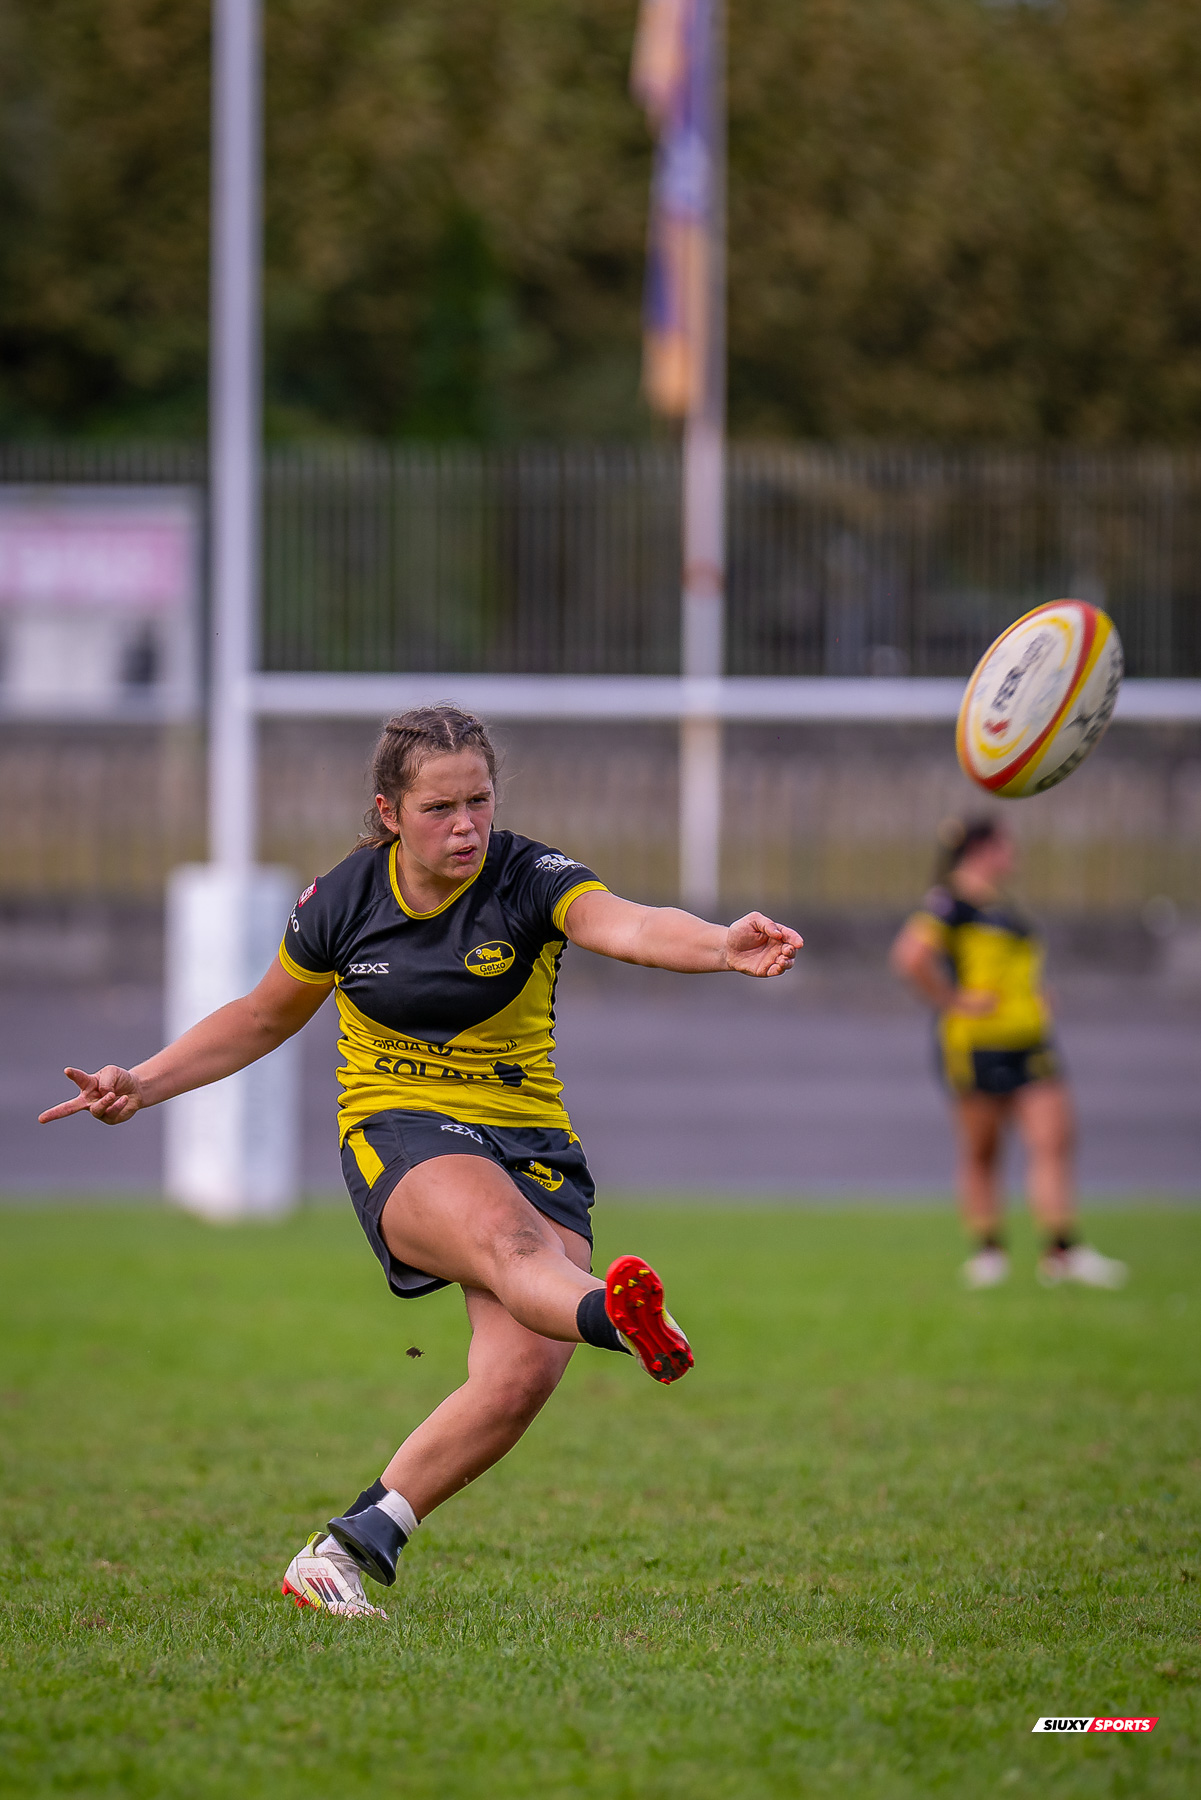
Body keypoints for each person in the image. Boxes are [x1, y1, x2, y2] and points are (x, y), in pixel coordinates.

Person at [39, 704, 802, 1619]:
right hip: (398, 1132)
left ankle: (345, 1548)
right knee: (518, 1253)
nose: (466, 825)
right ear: (389, 811)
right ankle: (613, 1316)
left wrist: (720, 944)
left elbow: (625, 924)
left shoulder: (526, 875)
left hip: (531, 1138)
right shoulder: (345, 899)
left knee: (517, 1377)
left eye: (478, 801)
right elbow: (256, 1018)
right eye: (440, 808)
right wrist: (142, 1082)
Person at [889, 816, 1126, 1293]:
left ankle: (1062, 1249)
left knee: (1054, 1138)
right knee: (982, 1150)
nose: (1014, 853)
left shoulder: (1002, 906)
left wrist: (1035, 995)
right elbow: (909, 956)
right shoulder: (951, 902)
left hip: (1030, 1039)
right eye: (1006, 844)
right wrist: (953, 999)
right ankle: (988, 1253)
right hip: (977, 1043)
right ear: (982, 850)